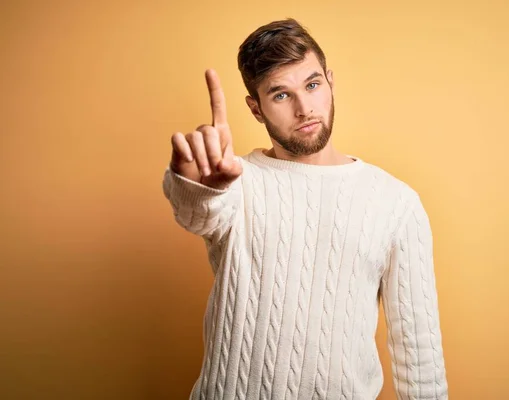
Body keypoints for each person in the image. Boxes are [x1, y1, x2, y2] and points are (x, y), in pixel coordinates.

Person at [162, 18, 448, 400]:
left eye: (312, 85)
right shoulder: (235, 181)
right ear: (256, 109)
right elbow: (197, 213)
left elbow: (420, 354)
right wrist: (195, 187)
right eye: (281, 95)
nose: (304, 108)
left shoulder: (396, 203)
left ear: (330, 81)